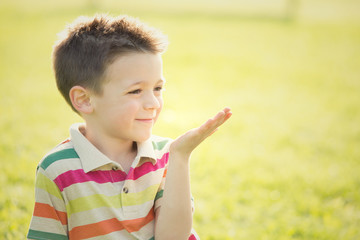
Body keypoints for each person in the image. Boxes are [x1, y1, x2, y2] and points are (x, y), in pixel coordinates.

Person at [27, 14, 232, 240]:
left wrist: (180, 156)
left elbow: (173, 237)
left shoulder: (165, 155)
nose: (153, 103)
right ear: (84, 100)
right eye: (135, 91)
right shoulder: (57, 169)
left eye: (157, 88)